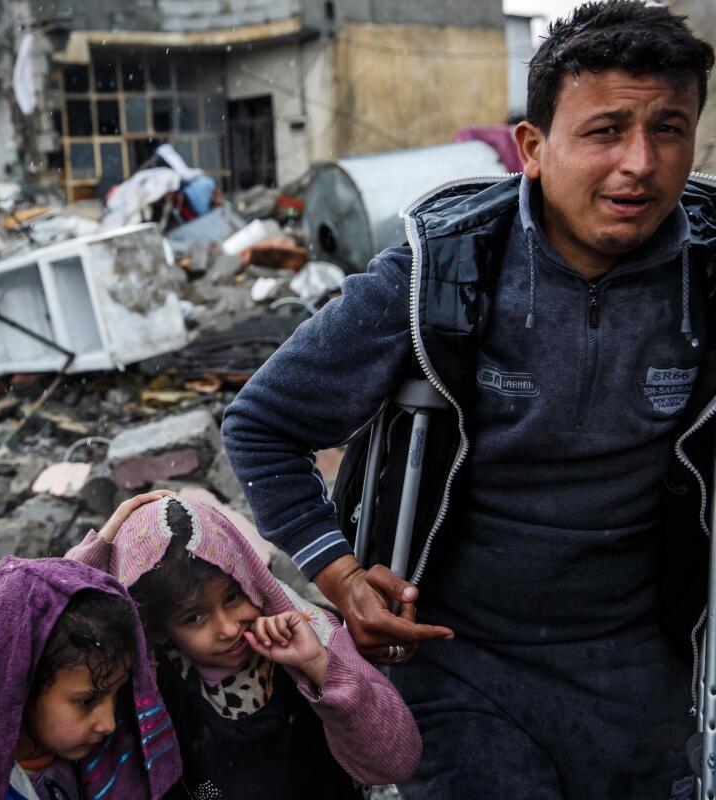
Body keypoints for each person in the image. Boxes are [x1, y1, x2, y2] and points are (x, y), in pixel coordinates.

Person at [221, 2, 716, 797]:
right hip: (459, 660)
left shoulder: (708, 278)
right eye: (605, 131)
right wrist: (343, 577)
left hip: (638, 670)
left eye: (669, 128)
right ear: (532, 147)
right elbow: (263, 423)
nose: (640, 163)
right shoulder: (439, 273)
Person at [67, 494, 420, 798]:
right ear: (157, 628)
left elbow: (398, 759)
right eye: (194, 617)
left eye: (234, 595)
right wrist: (101, 546)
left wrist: (319, 666)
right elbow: (49, 641)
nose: (228, 627)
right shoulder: (149, 679)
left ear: (250, 576)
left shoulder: (311, 632)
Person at [0, 556, 182, 800]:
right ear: (20, 686)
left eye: (115, 696)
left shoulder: (87, 759)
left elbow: (60, 593)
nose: (108, 723)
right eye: (87, 701)